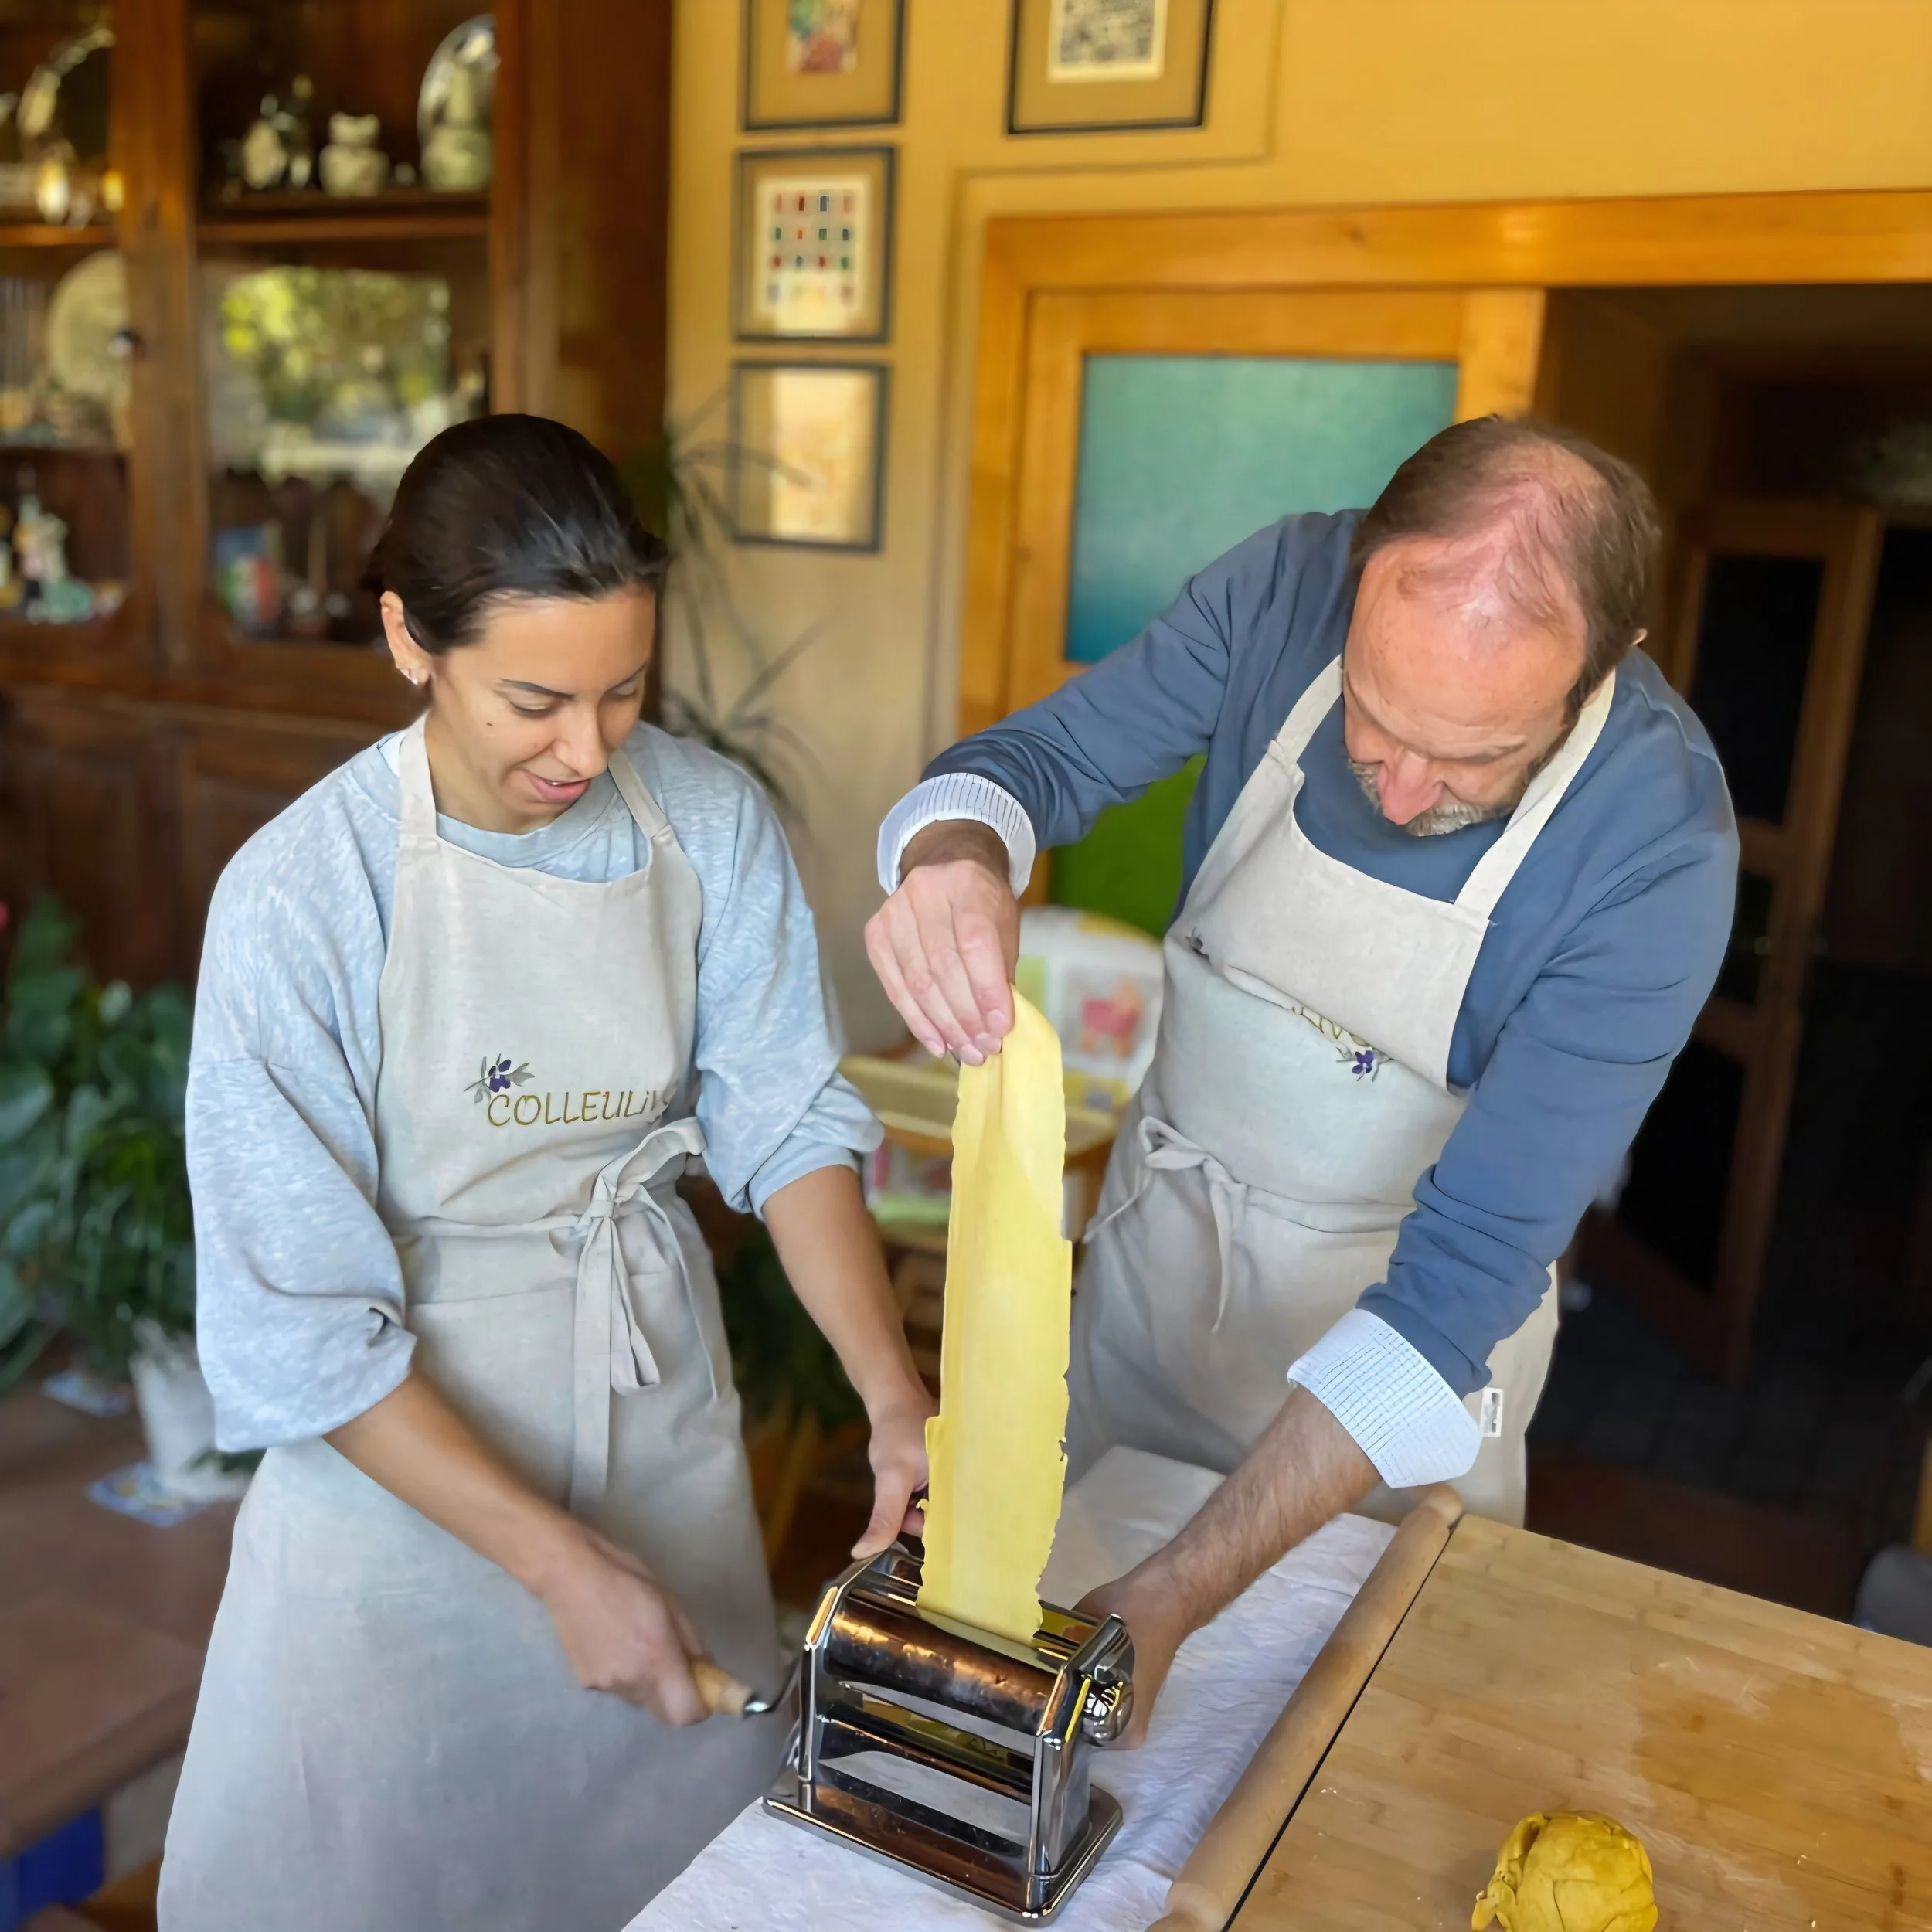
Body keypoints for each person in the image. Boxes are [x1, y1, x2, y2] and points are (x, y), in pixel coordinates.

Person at [160, 415, 935, 1930]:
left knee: (670, 1872)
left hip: (651, 1418)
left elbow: (784, 1122)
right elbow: (301, 1324)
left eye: (623, 690)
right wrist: (555, 1561)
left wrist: (889, 1388)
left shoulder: (705, 821)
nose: (585, 749)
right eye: (534, 699)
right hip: (398, 1491)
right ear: (406, 637)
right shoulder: (300, 895)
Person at [865, 416, 1736, 1733]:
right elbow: (1021, 770)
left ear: (1608, 665)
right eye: (1377, 726)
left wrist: (1175, 1594)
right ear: (1362, 574)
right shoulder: (1279, 591)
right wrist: (953, 860)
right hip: (1157, 1289)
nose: (1396, 795)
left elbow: (1456, 1292)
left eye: (1474, 762)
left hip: (1390, 1389)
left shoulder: (1658, 847)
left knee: (1333, 1751)